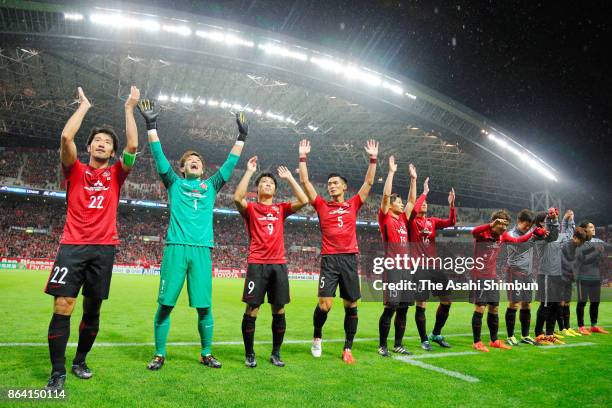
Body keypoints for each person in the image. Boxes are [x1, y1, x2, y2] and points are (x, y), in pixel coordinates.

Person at [139, 100, 248, 370]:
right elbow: (159, 157)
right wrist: (151, 126)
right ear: (183, 168)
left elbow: (230, 163)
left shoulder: (211, 186)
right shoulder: (173, 183)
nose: (195, 162)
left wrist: (242, 137)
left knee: (204, 307)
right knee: (165, 305)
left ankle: (206, 352)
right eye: (190, 161)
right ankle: (160, 353)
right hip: (176, 247)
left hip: (201, 250)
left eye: (198, 161)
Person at [44, 86, 139, 390]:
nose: (101, 143)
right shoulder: (74, 169)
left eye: (107, 142)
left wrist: (129, 108)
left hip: (104, 249)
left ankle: (80, 360)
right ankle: (58, 372)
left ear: (113, 152)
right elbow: (65, 138)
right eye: (97, 140)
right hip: (72, 247)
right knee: (63, 306)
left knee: (92, 310)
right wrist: (84, 106)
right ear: (89, 147)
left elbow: (134, 146)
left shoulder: (116, 175)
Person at [299, 138, 378, 364]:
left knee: (351, 304)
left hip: (350, 259)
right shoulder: (322, 205)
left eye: (335, 183)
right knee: (325, 304)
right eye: (329, 183)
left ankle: (348, 347)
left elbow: (369, 182)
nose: (331, 186)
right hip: (330, 260)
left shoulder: (353, 203)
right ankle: (317, 337)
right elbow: (305, 181)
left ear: (344, 186)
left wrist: (373, 158)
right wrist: (302, 156)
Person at [234, 156, 308, 367]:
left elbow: (303, 200)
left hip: (279, 264)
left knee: (279, 309)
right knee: (252, 309)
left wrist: (290, 179)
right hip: (257, 264)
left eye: (271, 184)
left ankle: (276, 353)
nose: (268, 185)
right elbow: (237, 198)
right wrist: (249, 171)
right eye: (264, 183)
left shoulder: (280, 209)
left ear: (275, 190)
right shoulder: (251, 209)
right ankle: (250, 354)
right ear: (257, 189)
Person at [469, 210, 545, 352]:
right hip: (479, 277)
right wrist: (491, 224)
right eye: (501, 225)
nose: (504, 228)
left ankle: (494, 340)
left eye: (506, 225)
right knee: (480, 308)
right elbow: (473, 231)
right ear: (494, 223)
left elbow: (518, 240)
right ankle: (477, 342)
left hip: (492, 277)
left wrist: (533, 234)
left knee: (494, 308)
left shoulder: (503, 236)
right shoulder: (483, 234)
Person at [407, 175, 456, 351]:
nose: (425, 204)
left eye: (426, 202)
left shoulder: (432, 221)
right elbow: (413, 210)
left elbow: (451, 222)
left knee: (447, 301)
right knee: (421, 303)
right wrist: (424, 193)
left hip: (435, 266)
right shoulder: (411, 222)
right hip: (419, 267)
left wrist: (451, 205)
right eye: (423, 203)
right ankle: (423, 339)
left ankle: (435, 333)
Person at [377, 157, 416, 356]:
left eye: (400, 202)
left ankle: (398, 344)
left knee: (403, 308)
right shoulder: (385, 216)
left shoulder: (402, 219)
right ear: (391, 205)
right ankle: (382, 346)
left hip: (406, 269)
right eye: (398, 202)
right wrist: (391, 172)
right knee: (391, 306)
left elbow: (411, 201)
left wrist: (413, 180)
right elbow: (385, 196)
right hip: (392, 268)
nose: (401, 205)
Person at [575, 220, 611, 335]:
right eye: (591, 227)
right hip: (582, 277)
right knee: (582, 302)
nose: (593, 229)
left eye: (593, 227)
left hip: (595, 277)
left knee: (595, 302)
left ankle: (594, 325)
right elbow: (582, 259)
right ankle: (581, 327)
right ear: (585, 230)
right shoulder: (579, 242)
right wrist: (596, 252)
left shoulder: (598, 241)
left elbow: (609, 247)